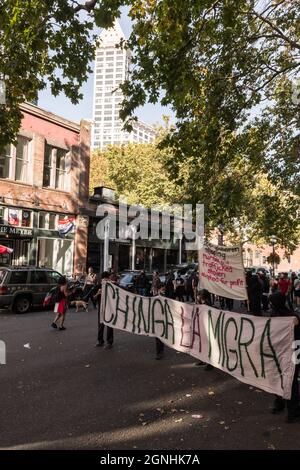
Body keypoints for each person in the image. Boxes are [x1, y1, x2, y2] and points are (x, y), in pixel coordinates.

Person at [269, 290, 300, 423]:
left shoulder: (292, 318)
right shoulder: (276, 316)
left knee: (290, 381)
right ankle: (282, 405)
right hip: (282, 354)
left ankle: (292, 411)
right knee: (280, 379)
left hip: (291, 354)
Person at [195, 289, 214, 370]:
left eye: (198, 295)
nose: (197, 297)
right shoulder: (202, 304)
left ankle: (210, 363)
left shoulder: (206, 305)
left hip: (207, 329)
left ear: (202, 297)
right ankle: (203, 359)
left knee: (207, 346)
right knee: (203, 345)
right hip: (203, 327)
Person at [94, 271, 114, 349]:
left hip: (109, 308)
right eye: (107, 278)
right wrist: (98, 293)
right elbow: (94, 298)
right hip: (101, 308)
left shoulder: (111, 286)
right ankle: (100, 341)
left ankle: (109, 342)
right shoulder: (99, 286)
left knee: (109, 324)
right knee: (101, 324)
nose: (108, 279)